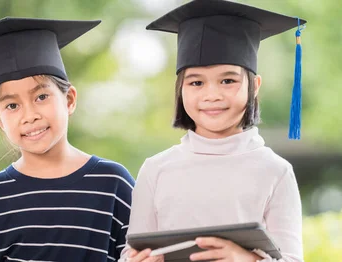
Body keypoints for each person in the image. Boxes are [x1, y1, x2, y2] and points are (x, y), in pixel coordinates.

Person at [0, 17, 135, 262]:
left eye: (41, 97)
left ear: (69, 99)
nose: (29, 116)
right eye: (12, 105)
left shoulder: (113, 184)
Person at [123, 0, 306, 261]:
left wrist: (245, 259)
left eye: (228, 80)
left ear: (254, 86)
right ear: (180, 89)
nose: (212, 95)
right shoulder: (156, 170)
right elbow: (131, 252)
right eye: (196, 82)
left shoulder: (274, 171)